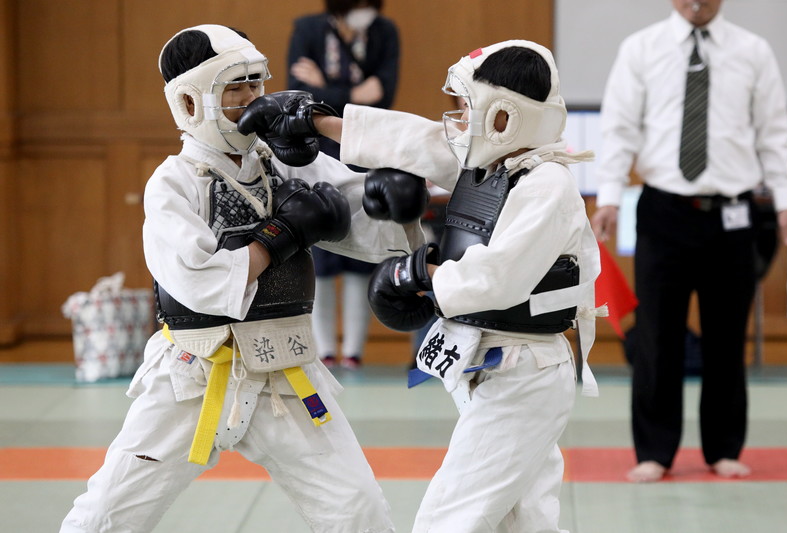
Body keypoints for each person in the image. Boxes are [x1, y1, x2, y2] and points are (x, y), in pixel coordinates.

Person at [59, 24, 423, 533]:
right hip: (194, 371)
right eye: (235, 86)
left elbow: (361, 219)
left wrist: (394, 201)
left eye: (257, 83)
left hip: (286, 371)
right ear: (190, 103)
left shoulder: (286, 163)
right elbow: (203, 283)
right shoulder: (172, 182)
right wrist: (280, 235)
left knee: (358, 509)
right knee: (105, 516)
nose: (253, 98)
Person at [239, 39, 603, 533]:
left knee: (449, 517)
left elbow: (498, 278)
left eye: (468, 108)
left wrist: (418, 275)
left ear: (504, 118)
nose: (457, 120)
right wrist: (317, 120)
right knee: (526, 515)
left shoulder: (547, 185)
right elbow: (418, 141)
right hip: (485, 356)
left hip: (525, 371)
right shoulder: (490, 165)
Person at [591, 0, 787, 483]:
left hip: (732, 213)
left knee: (727, 335)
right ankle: (655, 452)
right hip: (664, 208)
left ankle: (724, 447)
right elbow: (619, 126)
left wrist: (786, 200)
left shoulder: (753, 51)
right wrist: (609, 196)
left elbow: (773, 133)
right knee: (656, 334)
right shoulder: (641, 49)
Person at [287, 0, 400, 368]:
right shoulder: (308, 29)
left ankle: (353, 351)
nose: (364, 11)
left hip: (365, 155)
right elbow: (299, 98)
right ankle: (324, 350)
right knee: (318, 253)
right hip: (315, 158)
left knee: (361, 255)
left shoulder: (384, 32)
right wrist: (351, 92)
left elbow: (382, 94)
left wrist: (327, 89)